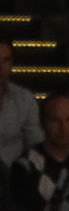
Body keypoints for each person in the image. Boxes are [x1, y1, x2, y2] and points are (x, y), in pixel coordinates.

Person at [0, 36, 42, 170]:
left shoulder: (24, 99)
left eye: (6, 60)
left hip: (12, 177)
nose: (1, 67)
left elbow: (36, 142)